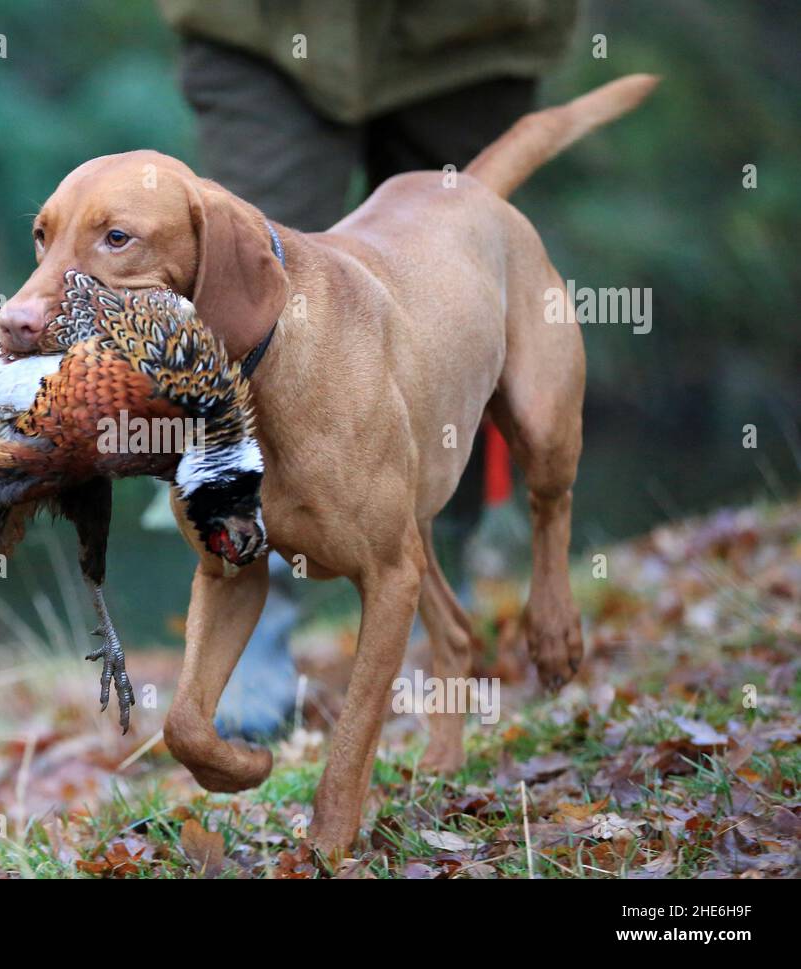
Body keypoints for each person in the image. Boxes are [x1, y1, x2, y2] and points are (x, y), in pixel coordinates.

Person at [157, 0, 580, 739]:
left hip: (472, 33)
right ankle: (254, 603)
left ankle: (444, 585)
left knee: (445, 314)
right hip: (261, 30)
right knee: (247, 286)